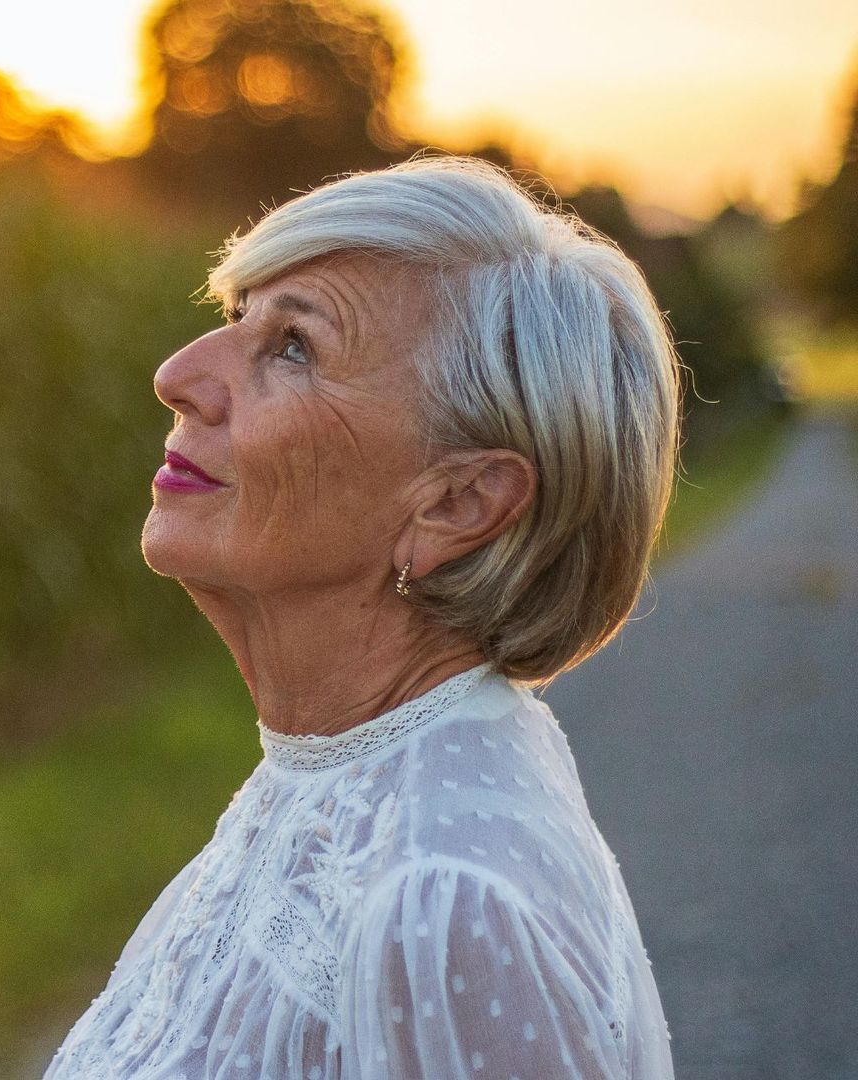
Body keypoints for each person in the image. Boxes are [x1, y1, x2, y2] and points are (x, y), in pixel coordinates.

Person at [42, 156, 677, 1079]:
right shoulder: (337, 774)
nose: (179, 376)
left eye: (293, 348)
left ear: (458, 503)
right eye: (236, 320)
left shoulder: (448, 902)